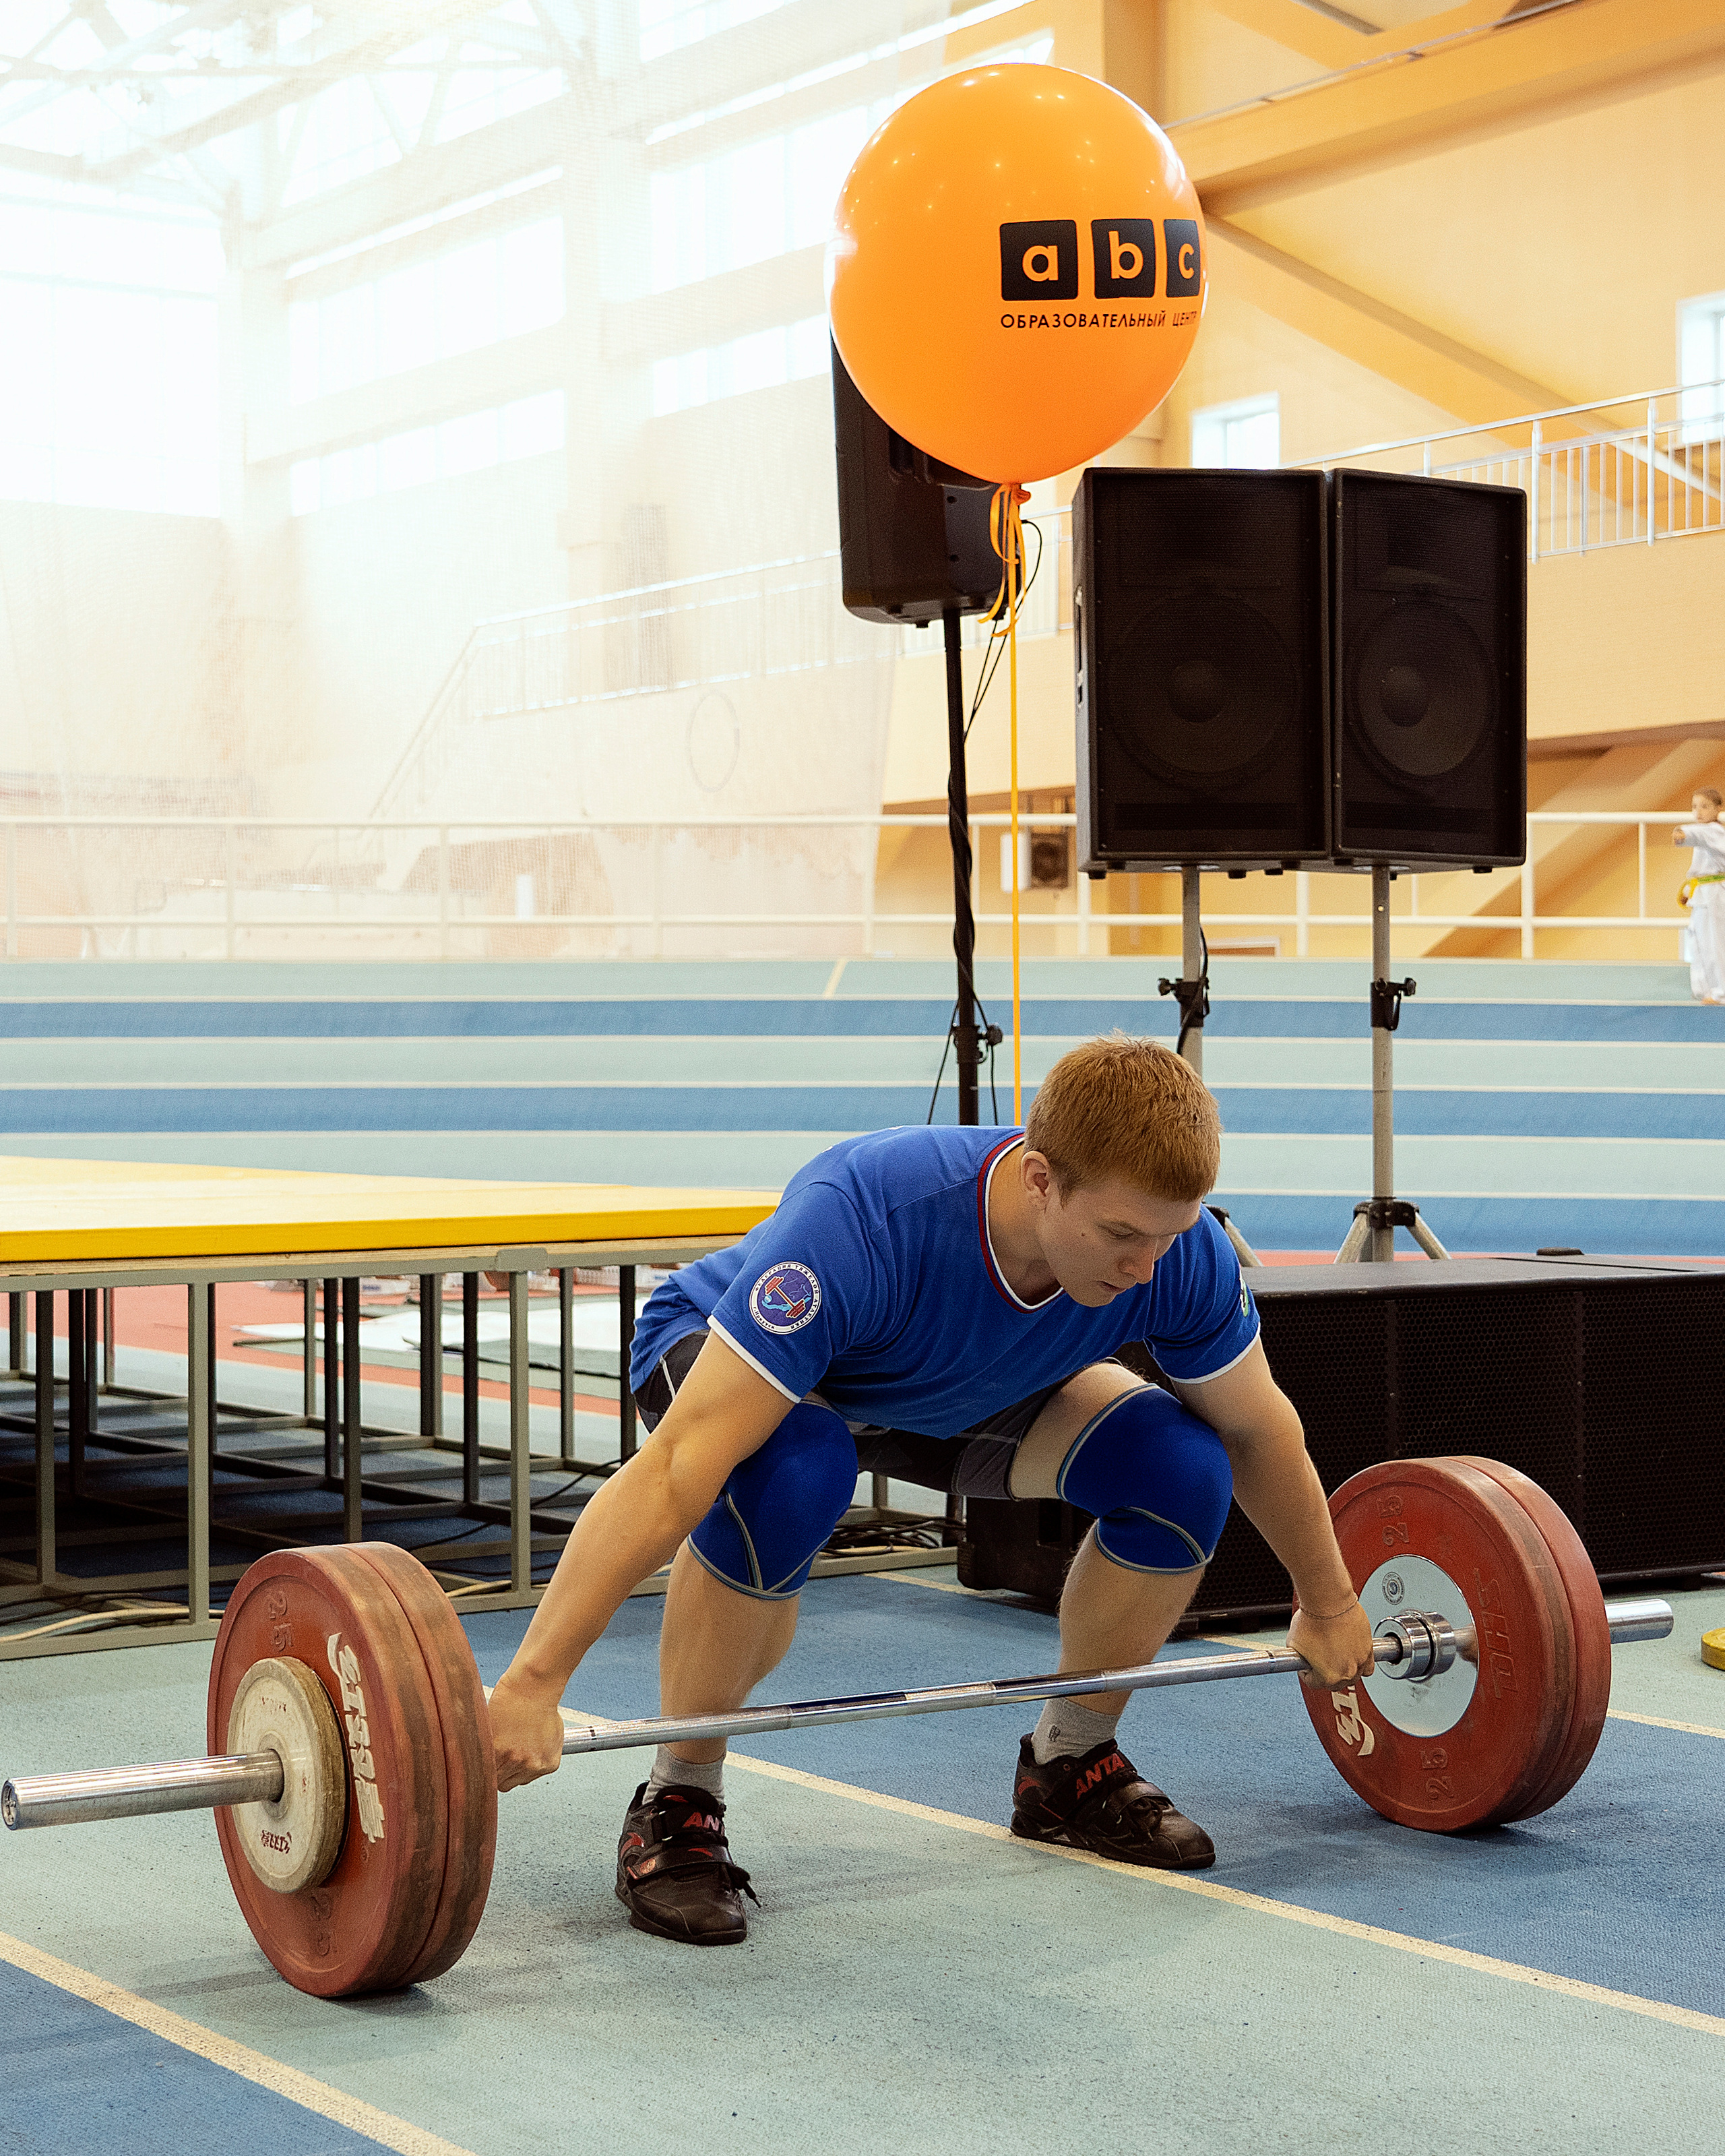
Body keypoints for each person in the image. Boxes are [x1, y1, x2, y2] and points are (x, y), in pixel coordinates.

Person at [486, 1037, 1376, 1946]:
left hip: (958, 1390)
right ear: (1039, 1179)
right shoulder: (864, 1216)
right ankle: (680, 1792)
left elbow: (1259, 1428)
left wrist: (1331, 1598)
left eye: (1168, 1234)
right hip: (752, 1365)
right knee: (798, 1470)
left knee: (1182, 1468)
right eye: (1120, 1234)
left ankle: (1070, 1762)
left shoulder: (1174, 1254)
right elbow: (676, 1469)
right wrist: (532, 1680)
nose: (1147, 1264)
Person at [1674, 785, 1725, 1006]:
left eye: (1705, 806)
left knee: (1714, 943)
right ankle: (1705, 989)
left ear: (1718, 809)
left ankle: (1720, 992)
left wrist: (1682, 833)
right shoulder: (1706, 832)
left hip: (1714, 894)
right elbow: (1699, 870)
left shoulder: (1714, 830)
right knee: (1699, 942)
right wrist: (1687, 892)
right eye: (1695, 807)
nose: (1699, 811)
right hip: (1703, 892)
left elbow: (1696, 835)